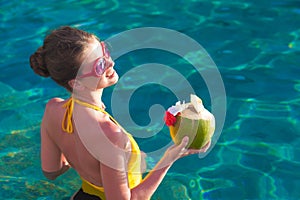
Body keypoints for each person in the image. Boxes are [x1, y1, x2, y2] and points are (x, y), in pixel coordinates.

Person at [29, 26, 210, 200]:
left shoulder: (53, 110)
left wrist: (80, 158)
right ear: (76, 83)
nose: (111, 62)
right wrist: (169, 159)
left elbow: (52, 171)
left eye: (104, 51)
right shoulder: (111, 135)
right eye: (99, 65)